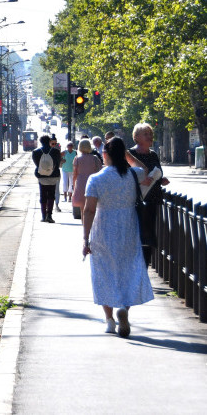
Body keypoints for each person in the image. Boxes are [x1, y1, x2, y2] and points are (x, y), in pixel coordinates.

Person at [82, 137, 154, 336]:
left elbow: (88, 211)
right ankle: (124, 307)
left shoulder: (96, 179)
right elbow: (145, 170)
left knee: (104, 272)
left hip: (103, 228)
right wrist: (128, 155)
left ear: (104, 154)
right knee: (128, 270)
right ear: (123, 155)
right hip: (128, 228)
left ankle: (110, 320)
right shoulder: (133, 174)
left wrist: (85, 238)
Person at [126, 122, 169, 266]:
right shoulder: (130, 154)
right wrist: (140, 181)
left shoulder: (153, 154)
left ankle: (145, 266)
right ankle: (135, 265)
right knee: (137, 234)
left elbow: (157, 173)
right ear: (137, 137)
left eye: (150, 134)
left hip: (152, 199)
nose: (150, 136)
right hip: (135, 201)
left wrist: (160, 180)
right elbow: (124, 177)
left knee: (149, 235)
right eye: (146, 134)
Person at [32, 135, 61, 223]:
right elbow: (58, 162)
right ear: (49, 141)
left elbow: (37, 164)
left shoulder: (36, 152)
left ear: (40, 142)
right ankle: (49, 215)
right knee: (51, 195)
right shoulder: (56, 151)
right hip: (53, 175)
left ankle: (43, 216)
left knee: (43, 195)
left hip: (41, 176)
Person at [72, 138, 102, 221]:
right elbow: (100, 172)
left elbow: (74, 174)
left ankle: (84, 228)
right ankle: (91, 227)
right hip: (92, 183)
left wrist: (74, 186)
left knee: (83, 208)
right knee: (93, 208)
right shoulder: (95, 158)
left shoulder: (77, 158)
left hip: (80, 183)